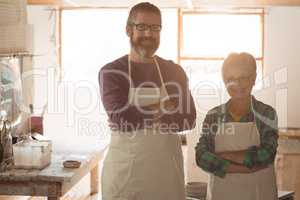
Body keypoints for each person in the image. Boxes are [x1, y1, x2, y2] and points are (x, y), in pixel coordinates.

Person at [98, 2, 196, 200]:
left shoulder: (173, 71)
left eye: (155, 28)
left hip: (166, 175)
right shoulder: (111, 72)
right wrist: (164, 108)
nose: (149, 34)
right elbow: (121, 119)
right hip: (125, 176)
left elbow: (188, 119)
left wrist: (137, 114)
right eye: (141, 27)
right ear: (128, 30)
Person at [195, 52, 278, 200]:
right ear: (224, 81)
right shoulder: (213, 115)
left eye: (243, 78)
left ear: (253, 79)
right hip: (221, 194)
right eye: (231, 79)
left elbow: (267, 154)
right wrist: (244, 168)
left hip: (260, 194)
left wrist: (224, 156)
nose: (237, 84)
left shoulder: (266, 113)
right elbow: (201, 156)